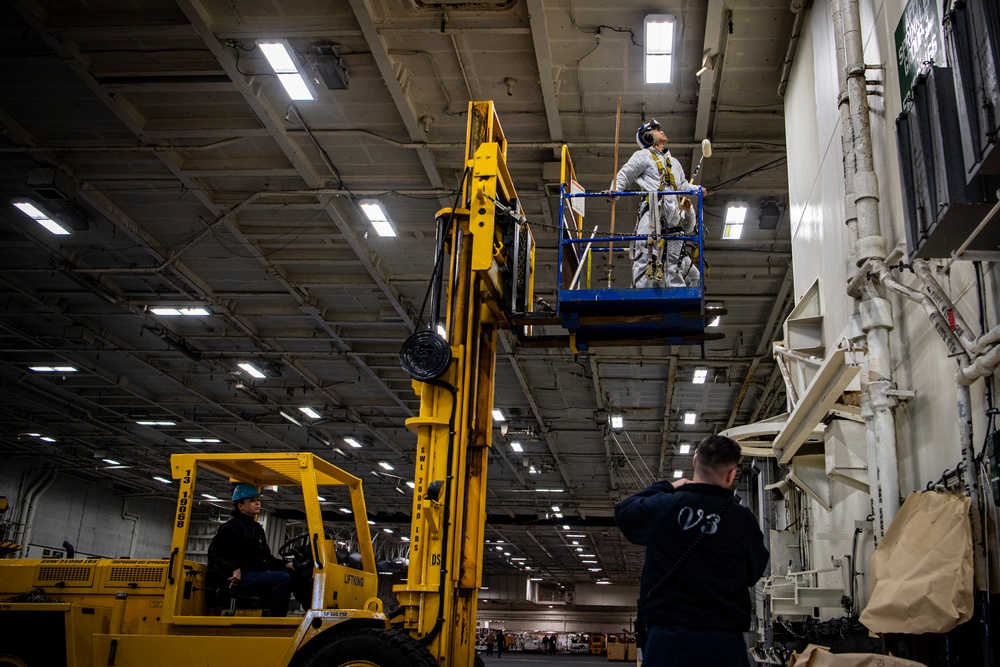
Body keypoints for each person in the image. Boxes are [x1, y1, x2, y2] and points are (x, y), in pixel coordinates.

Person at [615, 435, 769, 666]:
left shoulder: (666, 506)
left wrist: (668, 486)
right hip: (723, 642)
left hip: (668, 641)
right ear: (731, 474)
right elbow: (755, 572)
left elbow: (624, 512)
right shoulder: (742, 519)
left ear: (695, 460)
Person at [613, 118, 704, 288]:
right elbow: (625, 174)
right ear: (647, 137)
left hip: (673, 217)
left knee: (674, 262)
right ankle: (641, 293)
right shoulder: (643, 156)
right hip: (652, 214)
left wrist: (697, 189)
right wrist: (614, 191)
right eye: (655, 129)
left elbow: (682, 185)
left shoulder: (674, 163)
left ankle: (677, 297)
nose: (660, 131)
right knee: (645, 255)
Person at [207, 482, 296, 617]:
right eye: (252, 501)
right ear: (241, 506)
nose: (257, 503)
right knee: (281, 578)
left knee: (295, 574)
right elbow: (215, 553)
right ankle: (276, 621)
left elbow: (266, 557)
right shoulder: (232, 527)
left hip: (255, 576)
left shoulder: (257, 529)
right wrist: (234, 567)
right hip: (242, 579)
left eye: (258, 500)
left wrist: (285, 564)